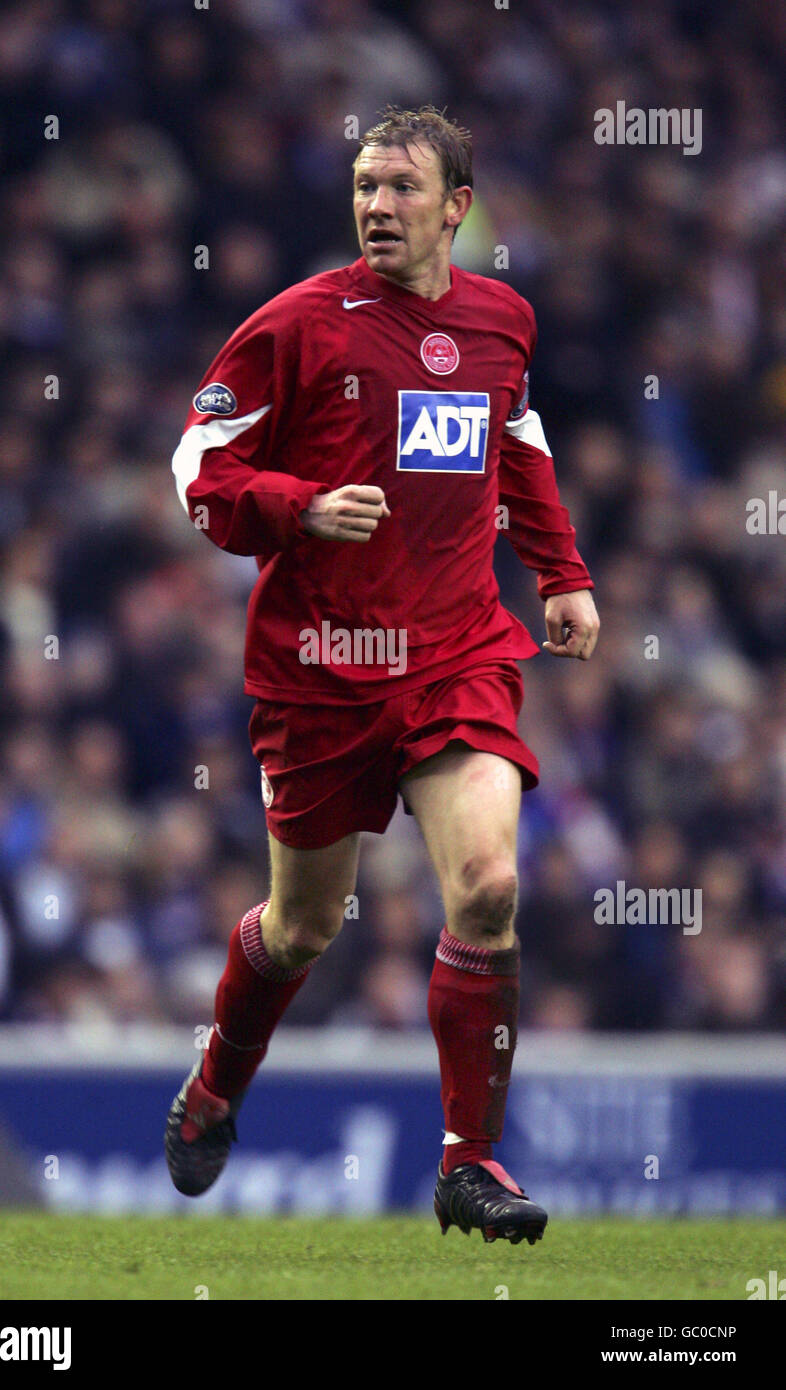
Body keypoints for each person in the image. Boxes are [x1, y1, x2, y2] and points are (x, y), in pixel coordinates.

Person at [166, 106, 599, 1244]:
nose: (376, 206)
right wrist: (298, 507)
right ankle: (216, 1081)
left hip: (456, 652)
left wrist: (560, 575)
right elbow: (199, 469)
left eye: (401, 188)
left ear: (456, 206)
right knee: (304, 928)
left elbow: (517, 440)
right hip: (319, 669)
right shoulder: (298, 325)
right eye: (364, 185)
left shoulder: (503, 322)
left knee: (490, 888)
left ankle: (467, 1160)